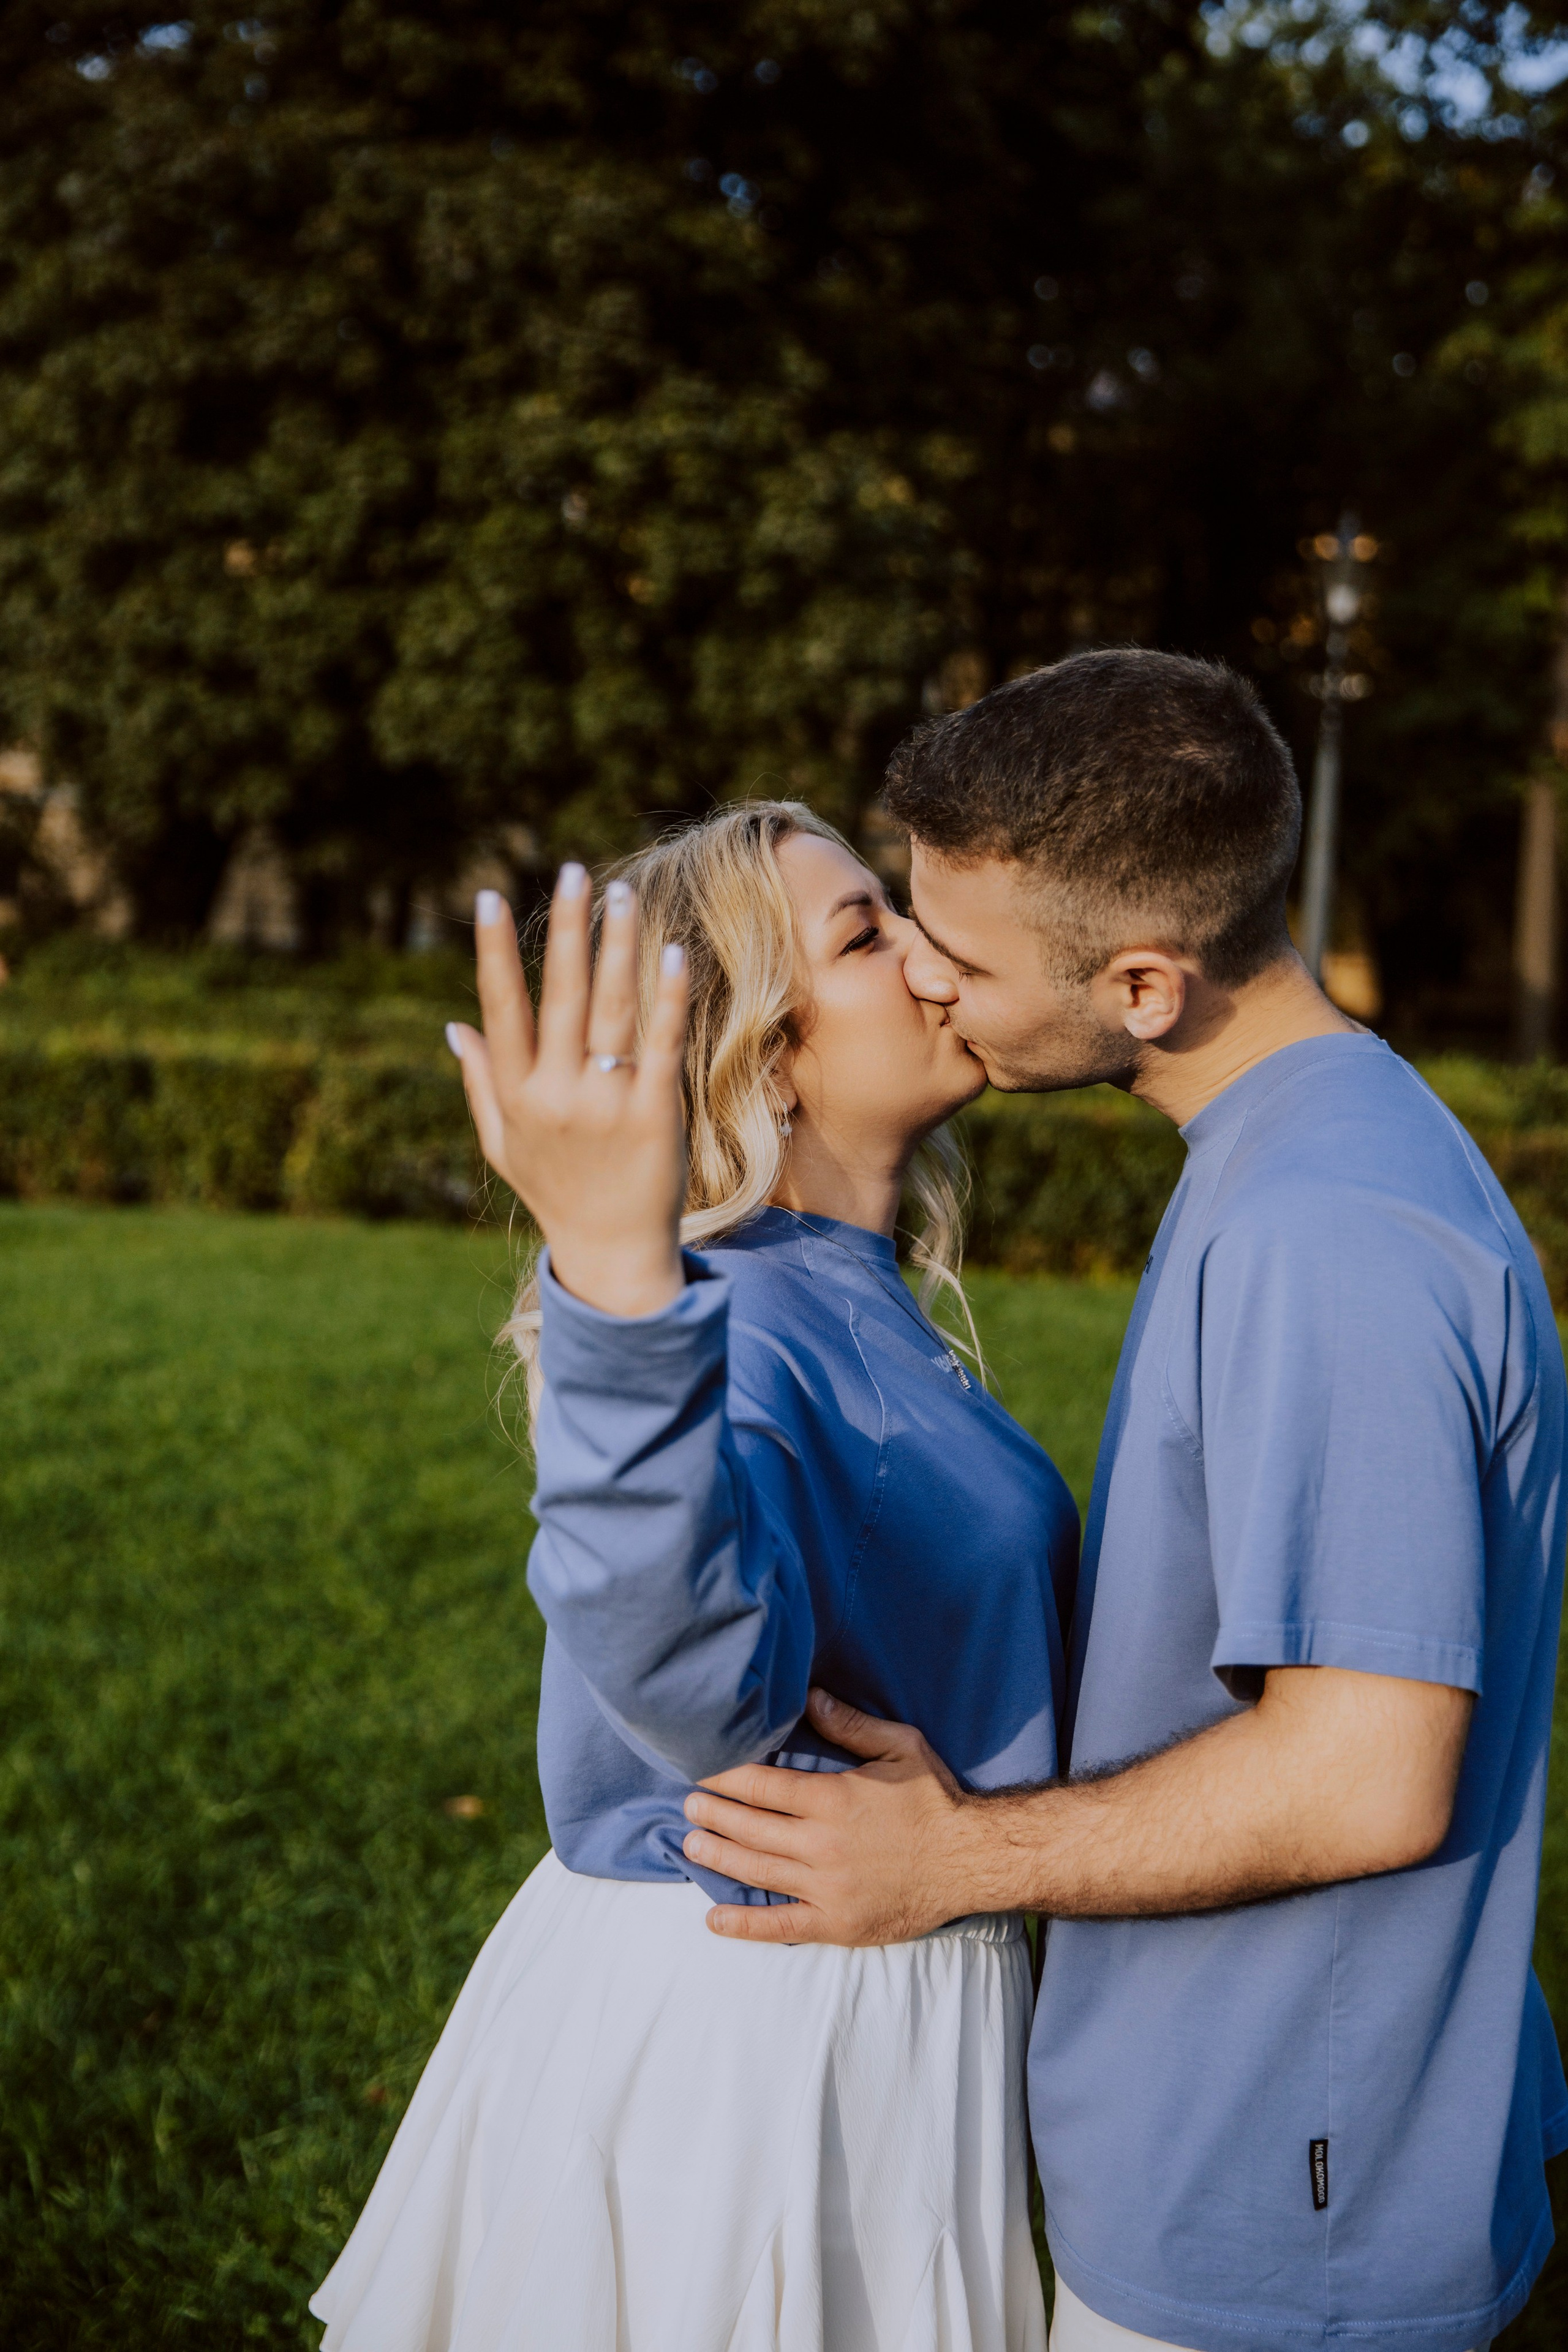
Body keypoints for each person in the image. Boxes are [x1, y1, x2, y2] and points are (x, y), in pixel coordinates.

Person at [680, 651, 1568, 2352]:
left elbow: (1364, 1774)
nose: (924, 978)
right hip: (1254, 2149)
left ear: (1144, 986)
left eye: (960, 958)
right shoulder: (1291, 1149)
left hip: (1279, 2208)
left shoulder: (1326, 1238)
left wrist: (956, 1858)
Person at [309, 801, 1078, 2352]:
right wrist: (612, 1279)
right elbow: (687, 1675)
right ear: (762, 1052)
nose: (929, 955)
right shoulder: (732, 1316)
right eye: (865, 932)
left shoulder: (844, 1296)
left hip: (860, 1996)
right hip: (763, 2035)